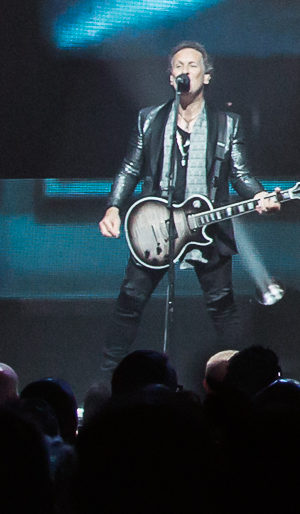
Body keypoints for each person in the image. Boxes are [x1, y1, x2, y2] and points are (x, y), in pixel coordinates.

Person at [95, 41, 277, 381]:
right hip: (155, 223)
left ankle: (244, 380)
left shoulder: (227, 124)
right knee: (130, 300)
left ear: (206, 76)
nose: (184, 71)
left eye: (192, 65)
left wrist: (260, 195)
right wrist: (113, 208)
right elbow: (130, 168)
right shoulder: (149, 119)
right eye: (178, 66)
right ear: (170, 78)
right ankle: (105, 382)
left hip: (206, 225)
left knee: (222, 305)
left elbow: (240, 173)